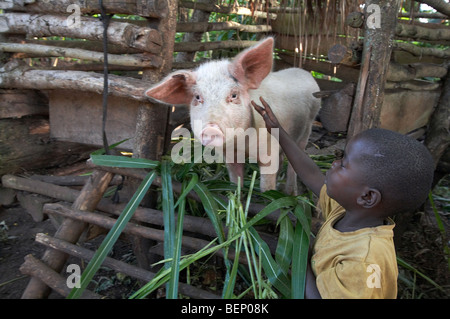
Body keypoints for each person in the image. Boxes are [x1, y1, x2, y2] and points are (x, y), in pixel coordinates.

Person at [251, 97, 435, 299]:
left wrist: (300, 261)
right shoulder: (348, 211)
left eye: (344, 164)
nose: (333, 164)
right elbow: (311, 174)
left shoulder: (363, 259)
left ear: (367, 196)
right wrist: (277, 130)